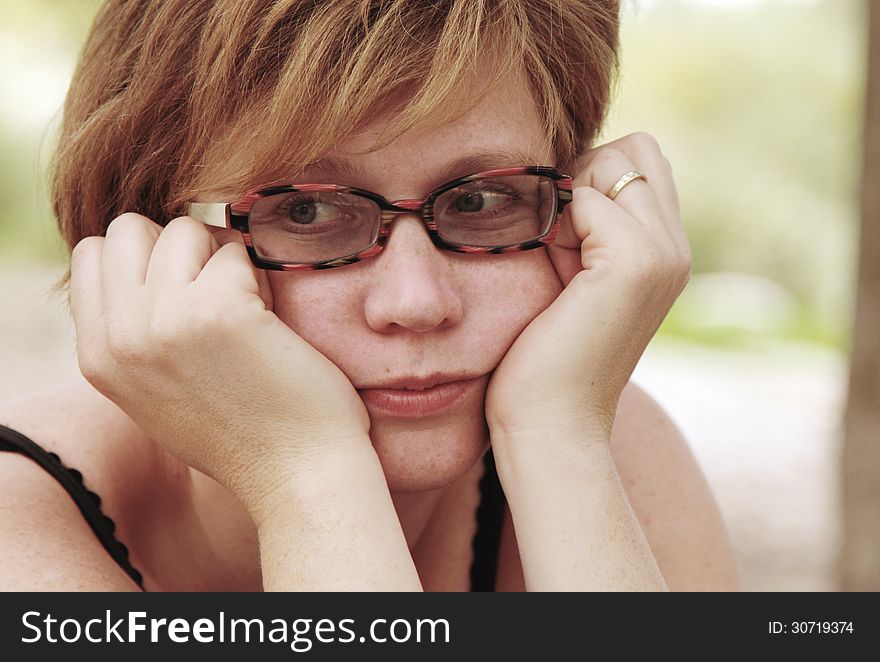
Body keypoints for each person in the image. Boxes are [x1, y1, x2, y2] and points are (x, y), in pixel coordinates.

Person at [0, 0, 738, 591]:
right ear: (148, 247)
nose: (417, 302)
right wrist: (305, 474)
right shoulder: (19, 532)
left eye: (480, 200)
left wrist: (559, 442)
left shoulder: (585, 429)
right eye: (307, 213)